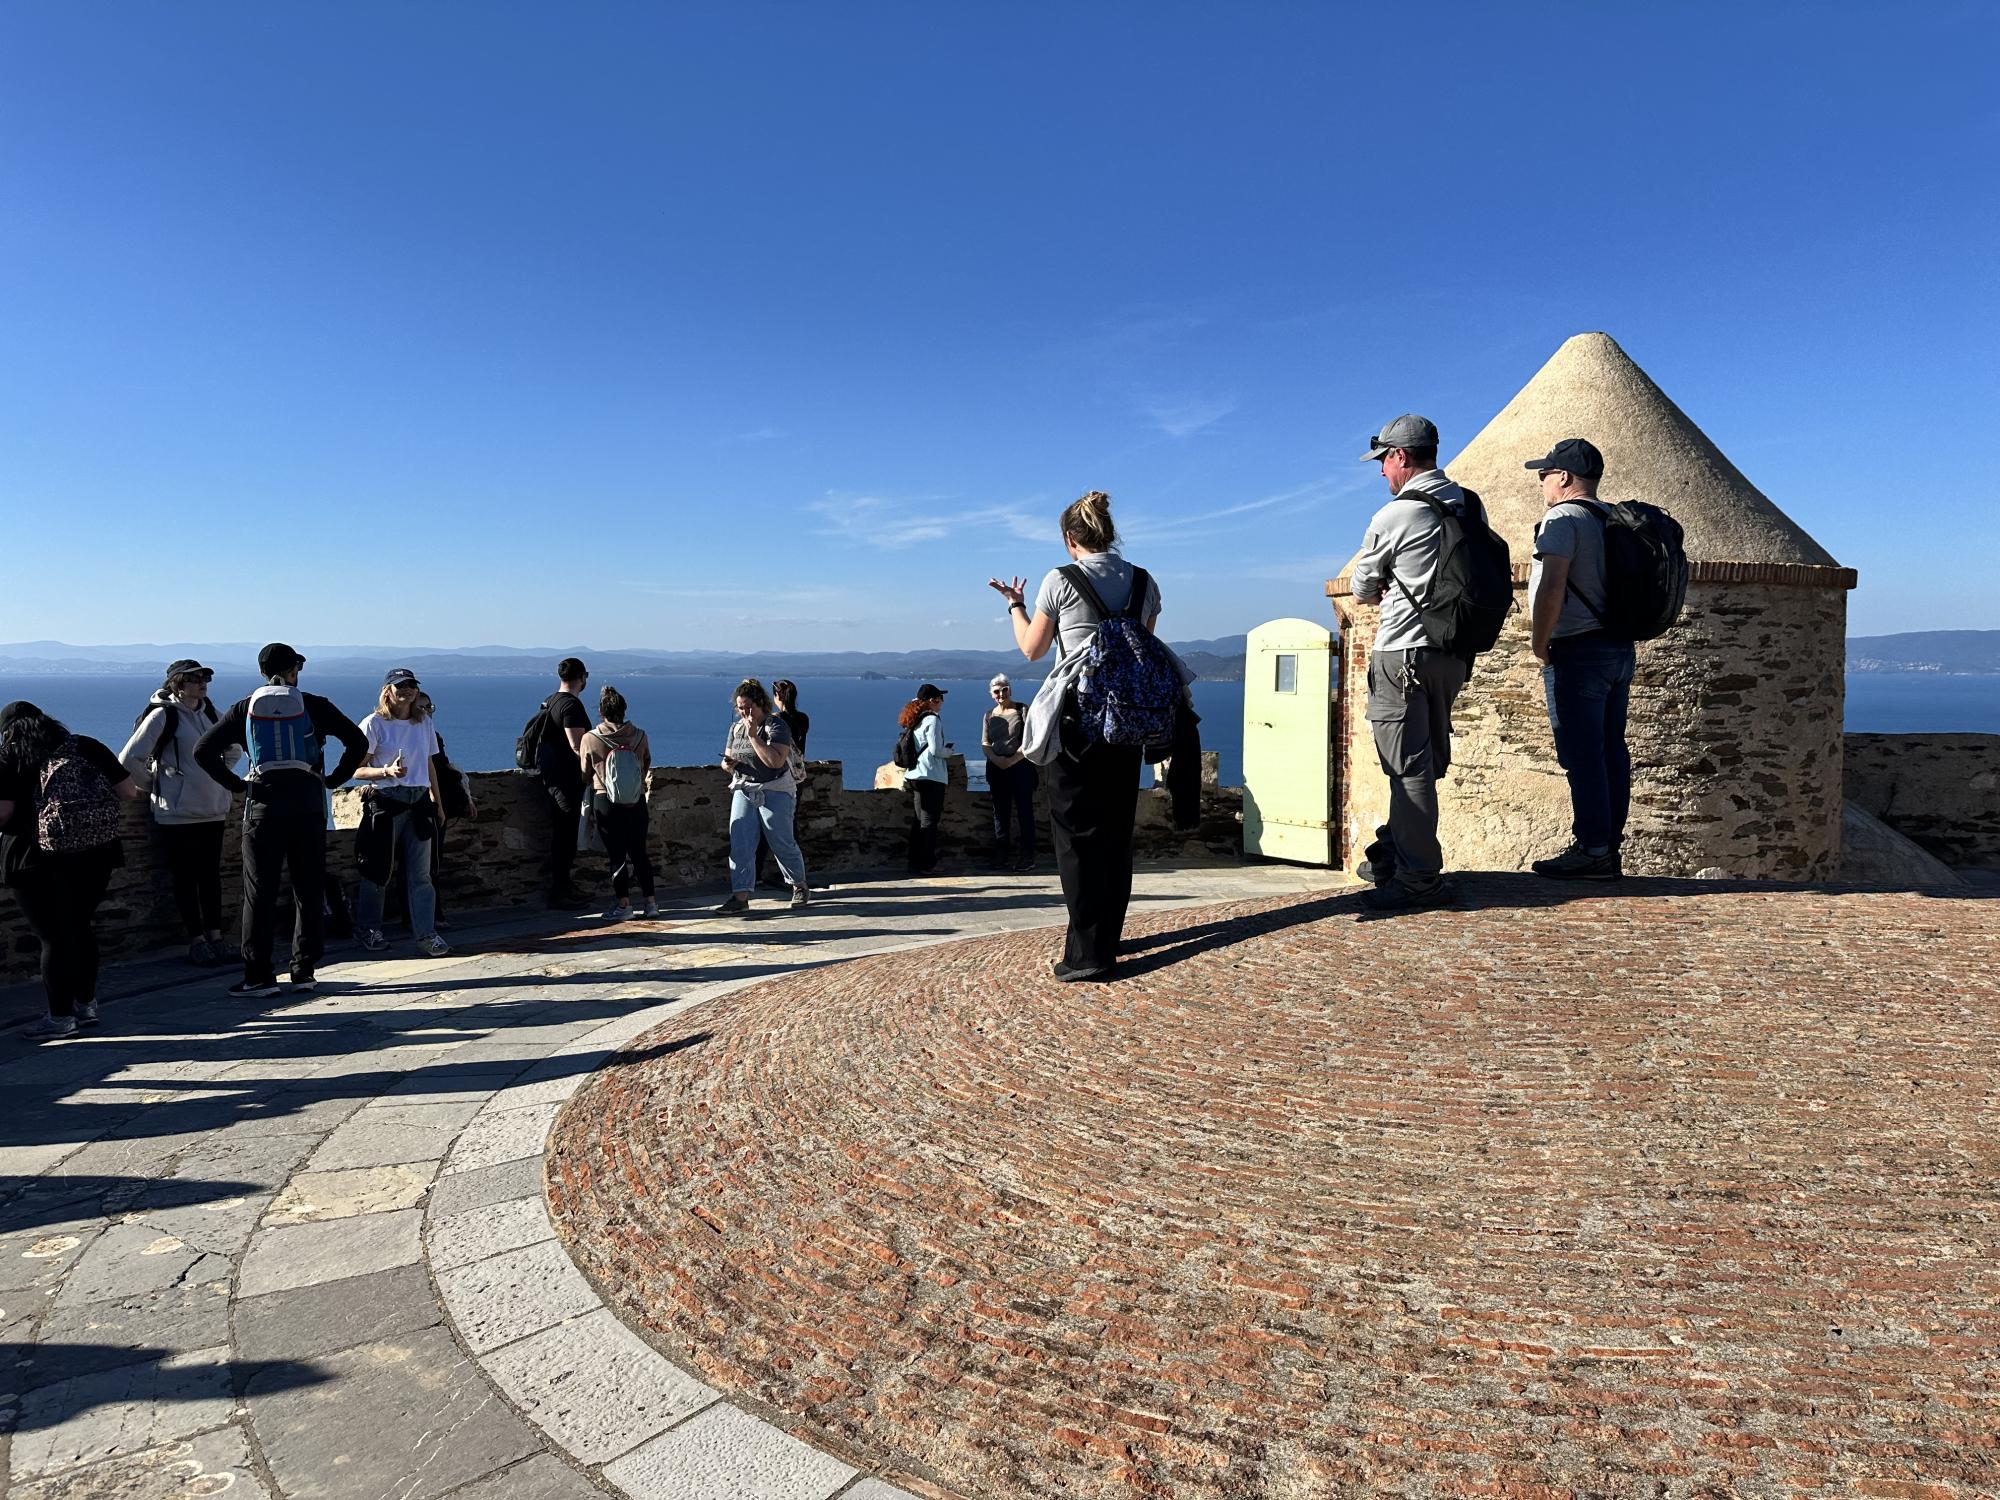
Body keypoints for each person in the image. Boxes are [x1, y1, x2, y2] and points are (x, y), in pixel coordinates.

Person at [986, 490, 1161, 980]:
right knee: (1115, 831)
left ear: (1070, 539)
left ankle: (1087, 954)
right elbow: (1142, 648)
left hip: (1078, 721)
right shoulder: (1145, 582)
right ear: (1110, 533)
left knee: (1075, 834)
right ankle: (1108, 936)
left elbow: (1032, 649)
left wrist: (1016, 607)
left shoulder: (1060, 580)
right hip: (1127, 721)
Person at [1346, 415, 1481, 912]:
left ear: (1400, 456)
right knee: (1425, 764)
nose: (1382, 471)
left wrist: (1382, 586)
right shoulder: (1468, 503)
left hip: (1402, 653)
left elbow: (1361, 586)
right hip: (1452, 653)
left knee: (1408, 770)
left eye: (1383, 460)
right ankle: (1392, 851)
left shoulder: (1395, 514)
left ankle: (1418, 879)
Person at [194, 643, 368, 998]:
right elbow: (357, 741)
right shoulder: (314, 704)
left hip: (263, 809)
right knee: (308, 889)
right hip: (308, 808)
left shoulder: (245, 708)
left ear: (262, 672)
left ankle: (258, 976)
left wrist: (238, 785)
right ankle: (304, 971)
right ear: (294, 671)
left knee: (259, 894)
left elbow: (203, 751)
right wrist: (333, 779)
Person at [0, 702, 146, 1038]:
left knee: (52, 937)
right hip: (96, 853)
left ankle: (59, 1018)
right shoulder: (86, 746)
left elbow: (3, 813)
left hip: (34, 858)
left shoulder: (10, 756)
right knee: (80, 927)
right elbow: (127, 792)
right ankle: (86, 1005)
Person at [1524, 437, 1634, 880]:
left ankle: (1592, 850)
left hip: (1579, 649)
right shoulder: (1613, 519)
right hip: (1618, 648)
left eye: (1545, 474)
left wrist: (1539, 642)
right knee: (1611, 751)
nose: (1542, 482)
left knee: (1582, 755)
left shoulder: (1563, 518)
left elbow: (1552, 586)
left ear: (1565, 477)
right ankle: (1607, 846)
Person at [119, 659, 238, 965]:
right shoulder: (163, 715)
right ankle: (197, 941)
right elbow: (129, 759)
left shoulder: (211, 713)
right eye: (195, 679)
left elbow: (234, 748)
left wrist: (218, 776)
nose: (203, 684)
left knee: (210, 877)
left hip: (212, 808)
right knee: (186, 878)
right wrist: (160, 784)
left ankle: (216, 938)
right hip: (177, 813)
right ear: (178, 684)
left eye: (205, 678)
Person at [352, 669, 450, 957]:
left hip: (418, 802)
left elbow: (429, 765)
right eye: (400, 686)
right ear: (388, 691)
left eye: (411, 685)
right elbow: (357, 770)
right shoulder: (373, 724)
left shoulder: (424, 722)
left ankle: (426, 934)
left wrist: (437, 802)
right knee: (377, 871)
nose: (407, 690)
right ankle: (369, 929)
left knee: (421, 875)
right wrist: (386, 771)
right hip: (387, 802)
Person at [716, 678, 808, 915]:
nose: (743, 712)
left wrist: (754, 737)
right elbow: (727, 758)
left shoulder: (776, 726)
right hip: (745, 788)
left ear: (760, 704)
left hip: (775, 789)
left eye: (748, 707)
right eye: (739, 707)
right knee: (741, 843)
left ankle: (798, 885)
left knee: (781, 841)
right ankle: (740, 896)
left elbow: (775, 761)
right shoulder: (736, 728)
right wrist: (729, 764)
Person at [580, 685, 658, 919]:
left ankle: (624, 905)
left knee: (617, 855)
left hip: (606, 800)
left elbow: (584, 773)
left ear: (601, 712)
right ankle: (651, 904)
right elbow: (645, 766)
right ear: (624, 710)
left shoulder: (590, 738)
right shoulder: (640, 736)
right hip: (636, 800)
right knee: (639, 853)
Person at [535, 658, 593, 908]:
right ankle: (560, 893)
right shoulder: (571, 705)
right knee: (565, 837)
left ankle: (566, 886)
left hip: (552, 777)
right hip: (566, 780)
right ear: (582, 677)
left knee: (563, 835)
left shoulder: (550, 701)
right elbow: (577, 746)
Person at [755, 679, 811, 888]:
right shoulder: (803, 718)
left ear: (776, 696)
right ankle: (794, 874)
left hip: (778, 777)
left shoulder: (776, 720)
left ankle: (757, 872)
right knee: (790, 826)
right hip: (798, 776)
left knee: (766, 826)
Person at [980, 673, 1036, 871]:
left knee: (1025, 812)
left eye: (1004, 690)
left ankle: (1027, 856)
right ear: (991, 694)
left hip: (1020, 767)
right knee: (1000, 813)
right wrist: (997, 760)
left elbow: (1029, 739)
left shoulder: (1022, 710)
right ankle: (1001, 853)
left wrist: (1011, 760)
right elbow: (985, 742)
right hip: (997, 769)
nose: (1001, 694)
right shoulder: (989, 715)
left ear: (1010, 690)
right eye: (997, 691)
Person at [899, 685, 949, 874]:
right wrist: (949, 752)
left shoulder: (915, 719)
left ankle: (913, 861)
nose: (942, 702)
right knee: (929, 822)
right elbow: (936, 750)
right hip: (931, 775)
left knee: (918, 820)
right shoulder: (932, 719)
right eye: (940, 699)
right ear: (933, 701)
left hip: (914, 775)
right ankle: (926, 864)